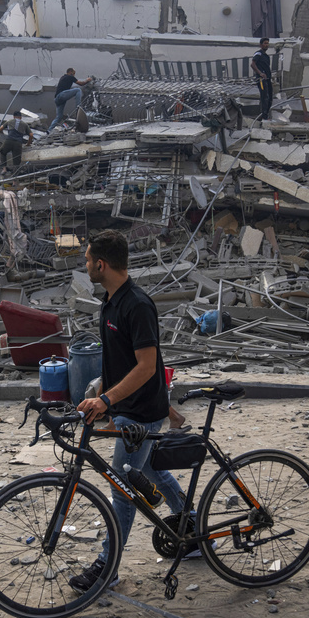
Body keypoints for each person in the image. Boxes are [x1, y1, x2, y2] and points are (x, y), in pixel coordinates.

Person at [70, 230, 185, 593]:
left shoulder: (136, 304)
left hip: (141, 412)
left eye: (87, 259)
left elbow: (147, 366)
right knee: (150, 469)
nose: (85, 265)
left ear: (101, 264)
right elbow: (119, 360)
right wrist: (101, 392)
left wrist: (105, 401)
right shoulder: (110, 302)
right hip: (125, 408)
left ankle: (108, 566)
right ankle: (192, 529)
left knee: (122, 488)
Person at [48, 68, 94, 133]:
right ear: (70, 72)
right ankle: (78, 108)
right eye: (74, 73)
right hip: (61, 95)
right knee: (78, 90)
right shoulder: (70, 76)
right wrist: (87, 80)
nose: (74, 75)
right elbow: (81, 83)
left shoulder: (63, 77)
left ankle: (49, 130)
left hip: (57, 99)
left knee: (59, 117)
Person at [250, 38, 273, 121]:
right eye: (265, 43)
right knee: (265, 97)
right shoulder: (258, 53)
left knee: (270, 97)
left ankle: (266, 115)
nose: (267, 45)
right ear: (261, 44)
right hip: (261, 80)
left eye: (267, 43)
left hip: (267, 79)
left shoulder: (265, 55)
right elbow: (252, 64)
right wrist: (260, 73)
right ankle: (264, 117)